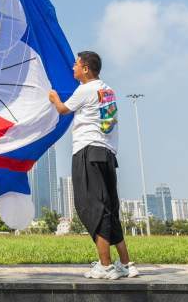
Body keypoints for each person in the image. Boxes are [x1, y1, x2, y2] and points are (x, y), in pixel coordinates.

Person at [48, 51, 138, 280]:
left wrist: (53, 97)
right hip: (107, 154)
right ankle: (126, 264)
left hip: (87, 152)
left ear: (86, 69)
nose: (73, 68)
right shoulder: (107, 89)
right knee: (108, 208)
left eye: (76, 64)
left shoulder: (85, 89)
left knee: (91, 208)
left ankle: (105, 265)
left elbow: (62, 110)